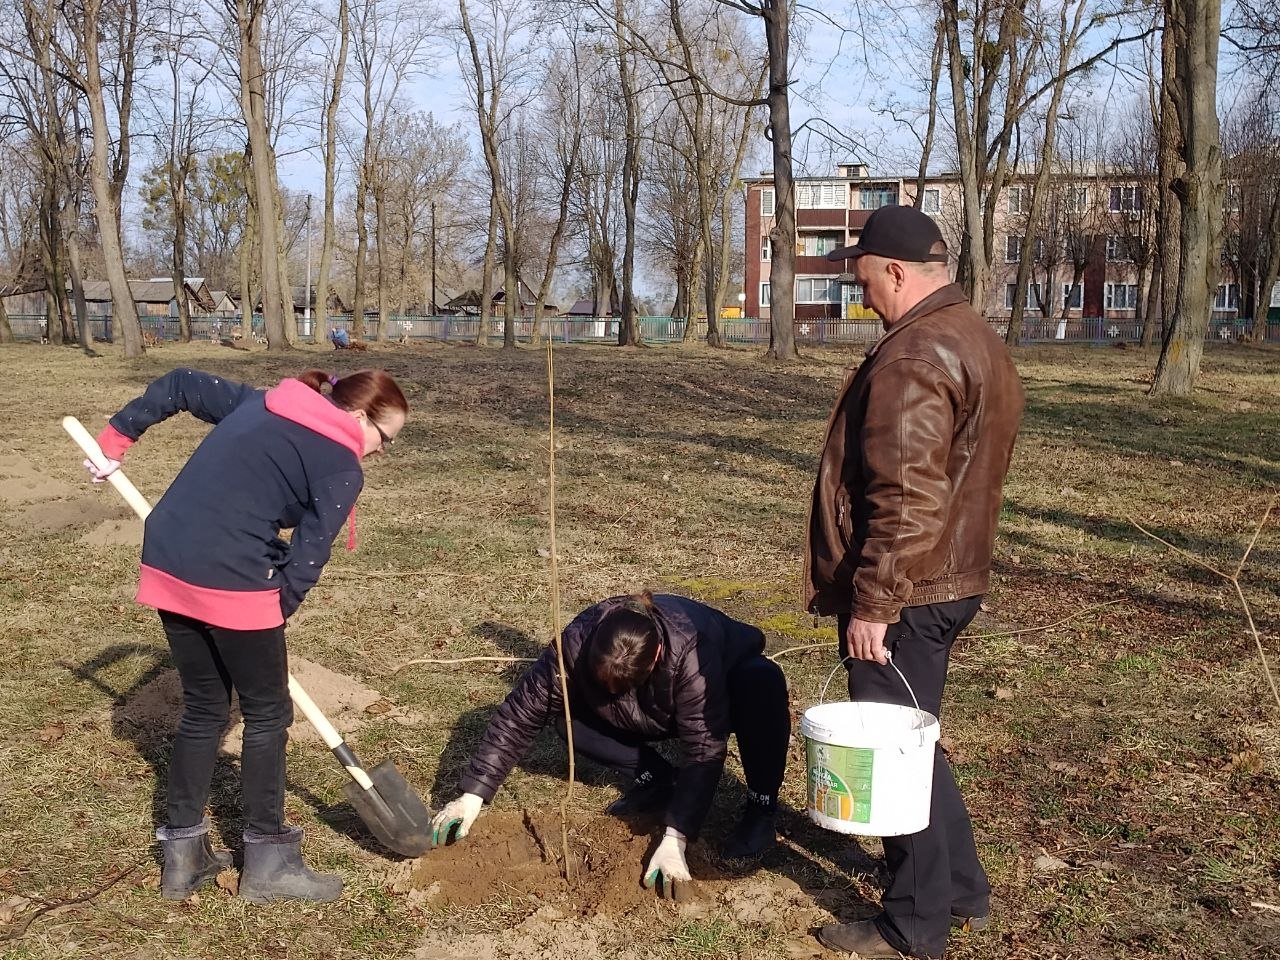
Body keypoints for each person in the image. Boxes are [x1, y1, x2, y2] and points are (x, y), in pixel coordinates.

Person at [84, 367, 408, 903]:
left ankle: (183, 858)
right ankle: (269, 862)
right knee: (268, 714)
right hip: (233, 575)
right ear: (357, 416)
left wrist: (116, 438)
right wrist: (273, 612)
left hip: (168, 557)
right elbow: (308, 558)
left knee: (205, 708)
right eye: (385, 438)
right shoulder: (341, 465)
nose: (381, 451)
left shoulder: (265, 403)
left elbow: (182, 384)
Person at [805, 205, 1024, 959]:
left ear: (896, 273)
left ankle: (914, 920)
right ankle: (960, 888)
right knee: (917, 740)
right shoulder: (975, 336)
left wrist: (874, 603)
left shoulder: (912, 357)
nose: (863, 296)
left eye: (865, 280)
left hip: (909, 592)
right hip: (952, 578)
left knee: (893, 755)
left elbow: (907, 499)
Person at [431, 592, 791, 894]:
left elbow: (703, 748)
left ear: (656, 655)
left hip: (715, 697)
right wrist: (472, 797)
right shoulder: (574, 643)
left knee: (762, 681)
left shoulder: (692, 650)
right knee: (567, 719)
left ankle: (760, 810)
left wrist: (675, 837)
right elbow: (520, 714)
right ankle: (657, 779)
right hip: (640, 712)